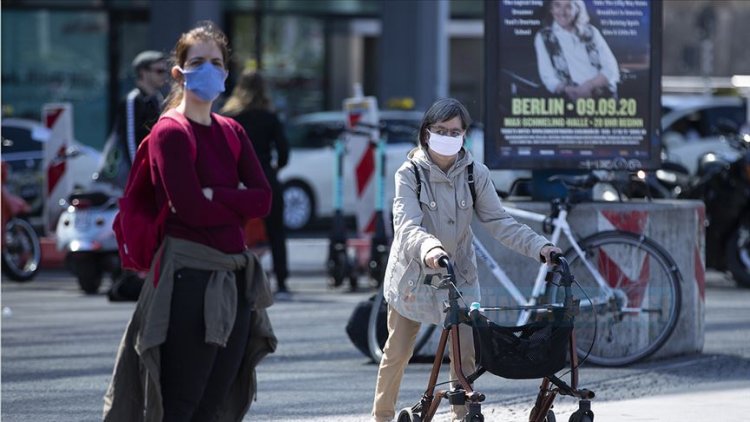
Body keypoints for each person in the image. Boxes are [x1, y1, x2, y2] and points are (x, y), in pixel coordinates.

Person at [103, 21, 276, 421]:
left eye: (216, 62)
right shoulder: (170, 132)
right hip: (189, 277)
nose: (209, 70)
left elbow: (264, 200)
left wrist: (216, 195)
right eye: (198, 62)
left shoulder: (232, 130)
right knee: (182, 401)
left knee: (217, 400)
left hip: (234, 277)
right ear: (178, 72)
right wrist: (234, 201)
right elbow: (189, 208)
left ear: (227, 73)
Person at [371, 98, 562, 422]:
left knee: (465, 353)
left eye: (455, 131)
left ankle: (463, 415)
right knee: (399, 351)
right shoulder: (410, 173)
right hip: (415, 275)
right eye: (440, 130)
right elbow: (406, 226)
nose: (447, 136)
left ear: (464, 135)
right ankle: (382, 416)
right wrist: (430, 249)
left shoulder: (475, 173)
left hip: (458, 274)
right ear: (426, 133)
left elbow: (500, 221)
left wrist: (540, 247)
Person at [221, 70, 291, 295]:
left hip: (236, 179)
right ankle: (281, 280)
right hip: (265, 178)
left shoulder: (229, 117)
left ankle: (229, 276)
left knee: (232, 230)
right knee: (276, 231)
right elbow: (284, 153)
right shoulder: (269, 117)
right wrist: (274, 168)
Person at [534, 0, 620, 100]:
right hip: (570, 99)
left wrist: (589, 86)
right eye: (557, 5)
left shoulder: (591, 31)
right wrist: (569, 90)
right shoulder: (543, 37)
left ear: (577, 9)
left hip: (603, 96)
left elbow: (611, 68)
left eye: (568, 6)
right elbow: (548, 78)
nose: (562, 12)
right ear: (551, 9)